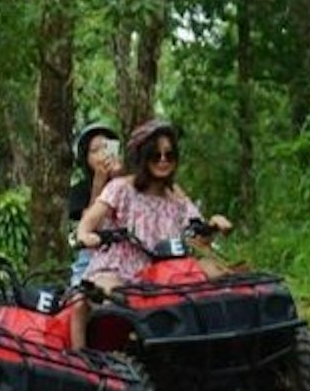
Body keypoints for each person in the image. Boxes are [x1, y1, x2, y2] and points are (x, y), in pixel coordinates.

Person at [75, 117, 232, 295]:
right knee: (109, 293)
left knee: (216, 274)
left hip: (165, 271)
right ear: (143, 157)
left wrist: (213, 226)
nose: (163, 160)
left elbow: (197, 235)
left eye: (169, 155)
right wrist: (85, 236)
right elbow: (87, 223)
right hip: (119, 269)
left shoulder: (175, 195)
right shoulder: (121, 188)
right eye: (155, 155)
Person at [67, 121, 123, 286]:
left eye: (106, 148)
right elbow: (90, 226)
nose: (101, 154)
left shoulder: (129, 181)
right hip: (91, 257)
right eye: (94, 151)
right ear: (86, 157)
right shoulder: (79, 190)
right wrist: (99, 183)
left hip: (126, 254)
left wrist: (119, 178)